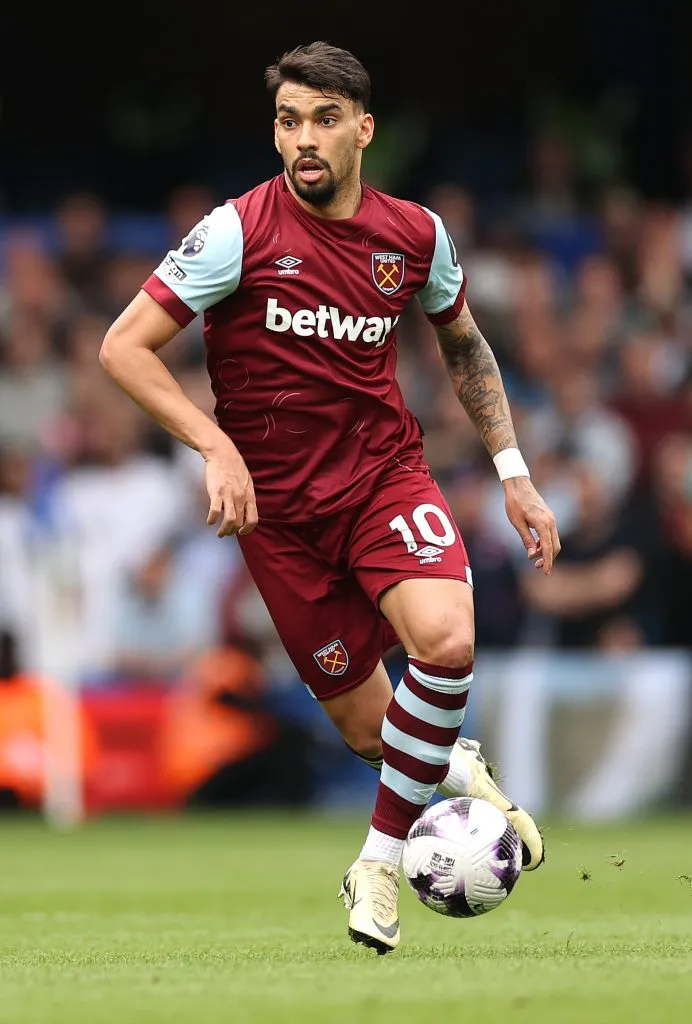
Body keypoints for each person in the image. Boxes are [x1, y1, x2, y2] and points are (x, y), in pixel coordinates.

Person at [100, 41, 560, 954]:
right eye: (286, 120)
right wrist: (215, 441)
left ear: (363, 129)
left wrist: (514, 473)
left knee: (449, 641)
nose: (301, 139)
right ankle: (447, 761)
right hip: (279, 519)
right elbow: (123, 347)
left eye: (321, 119)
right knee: (370, 733)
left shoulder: (415, 236)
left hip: (384, 479)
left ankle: (378, 863)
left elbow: (464, 347)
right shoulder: (236, 231)